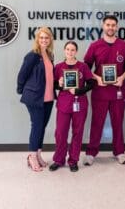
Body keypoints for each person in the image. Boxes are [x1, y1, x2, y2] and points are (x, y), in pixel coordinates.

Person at [83, 15, 125, 166]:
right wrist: (97, 78)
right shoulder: (95, 46)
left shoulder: (123, 46)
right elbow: (85, 68)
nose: (110, 27)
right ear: (103, 26)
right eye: (108, 25)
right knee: (97, 123)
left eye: (113, 25)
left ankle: (119, 152)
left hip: (117, 90)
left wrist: (122, 77)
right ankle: (91, 153)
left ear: (117, 27)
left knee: (118, 122)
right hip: (100, 92)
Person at [49, 41, 95, 172]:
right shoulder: (58, 67)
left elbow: (91, 83)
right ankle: (58, 159)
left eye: (73, 50)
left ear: (76, 51)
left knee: (77, 132)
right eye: (68, 49)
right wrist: (60, 84)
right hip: (64, 104)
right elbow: (54, 85)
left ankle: (73, 160)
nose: (70, 52)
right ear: (64, 51)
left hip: (79, 104)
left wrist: (79, 91)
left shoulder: (83, 66)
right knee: (60, 133)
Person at [17, 27, 55, 172]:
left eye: (46, 38)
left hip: (49, 97)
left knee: (42, 127)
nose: (44, 40)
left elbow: (50, 76)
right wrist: (21, 90)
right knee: (37, 126)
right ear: (37, 39)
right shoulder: (32, 55)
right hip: (35, 98)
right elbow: (22, 75)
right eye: (41, 38)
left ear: (50, 39)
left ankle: (38, 154)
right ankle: (31, 157)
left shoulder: (50, 55)